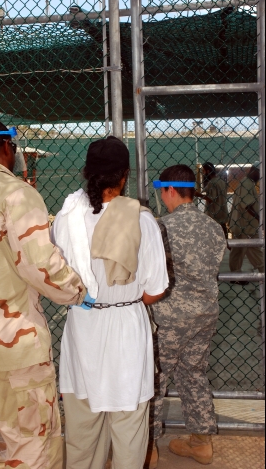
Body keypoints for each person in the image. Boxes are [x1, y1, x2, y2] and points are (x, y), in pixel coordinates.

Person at [0, 117, 90, 469]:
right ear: (9, 147)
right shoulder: (18, 194)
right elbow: (39, 266)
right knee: (31, 444)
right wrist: (76, 291)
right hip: (12, 346)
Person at [50, 136, 169, 469]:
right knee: (129, 429)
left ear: (87, 172)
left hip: (82, 324)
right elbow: (155, 290)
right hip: (126, 328)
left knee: (82, 431)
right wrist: (126, 299)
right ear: (125, 174)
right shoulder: (142, 220)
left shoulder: (65, 218)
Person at [147, 164, 227, 467]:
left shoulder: (161, 226)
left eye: (162, 192)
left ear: (169, 190)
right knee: (193, 374)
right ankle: (200, 444)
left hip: (170, 316)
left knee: (155, 380)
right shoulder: (213, 226)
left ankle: (147, 449)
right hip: (205, 314)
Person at [228, 164, 264, 285]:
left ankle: (235, 275)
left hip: (239, 224)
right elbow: (247, 205)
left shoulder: (245, 182)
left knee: (237, 251)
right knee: (255, 250)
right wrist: (260, 219)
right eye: (259, 173)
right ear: (254, 171)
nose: (260, 176)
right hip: (245, 226)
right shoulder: (247, 184)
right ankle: (263, 271)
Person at [195, 161, 229, 238]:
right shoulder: (221, 181)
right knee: (223, 233)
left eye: (204, 171)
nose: (203, 173)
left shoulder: (212, 183)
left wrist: (198, 195)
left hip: (214, 214)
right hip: (222, 212)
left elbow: (211, 199)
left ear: (208, 171)